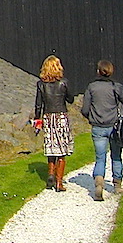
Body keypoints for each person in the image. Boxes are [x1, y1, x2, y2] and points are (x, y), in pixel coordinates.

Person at [80, 59, 123, 201]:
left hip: (98, 126)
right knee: (116, 155)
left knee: (100, 157)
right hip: (115, 126)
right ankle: (117, 184)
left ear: (98, 71)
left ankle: (99, 182)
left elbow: (85, 108)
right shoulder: (116, 86)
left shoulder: (91, 87)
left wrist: (91, 117)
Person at [34, 55, 74, 191]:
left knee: (51, 147)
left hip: (48, 117)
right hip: (61, 116)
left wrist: (37, 120)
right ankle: (59, 182)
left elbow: (38, 105)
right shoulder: (63, 83)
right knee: (62, 151)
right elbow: (71, 99)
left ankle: (50, 174)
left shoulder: (41, 84)